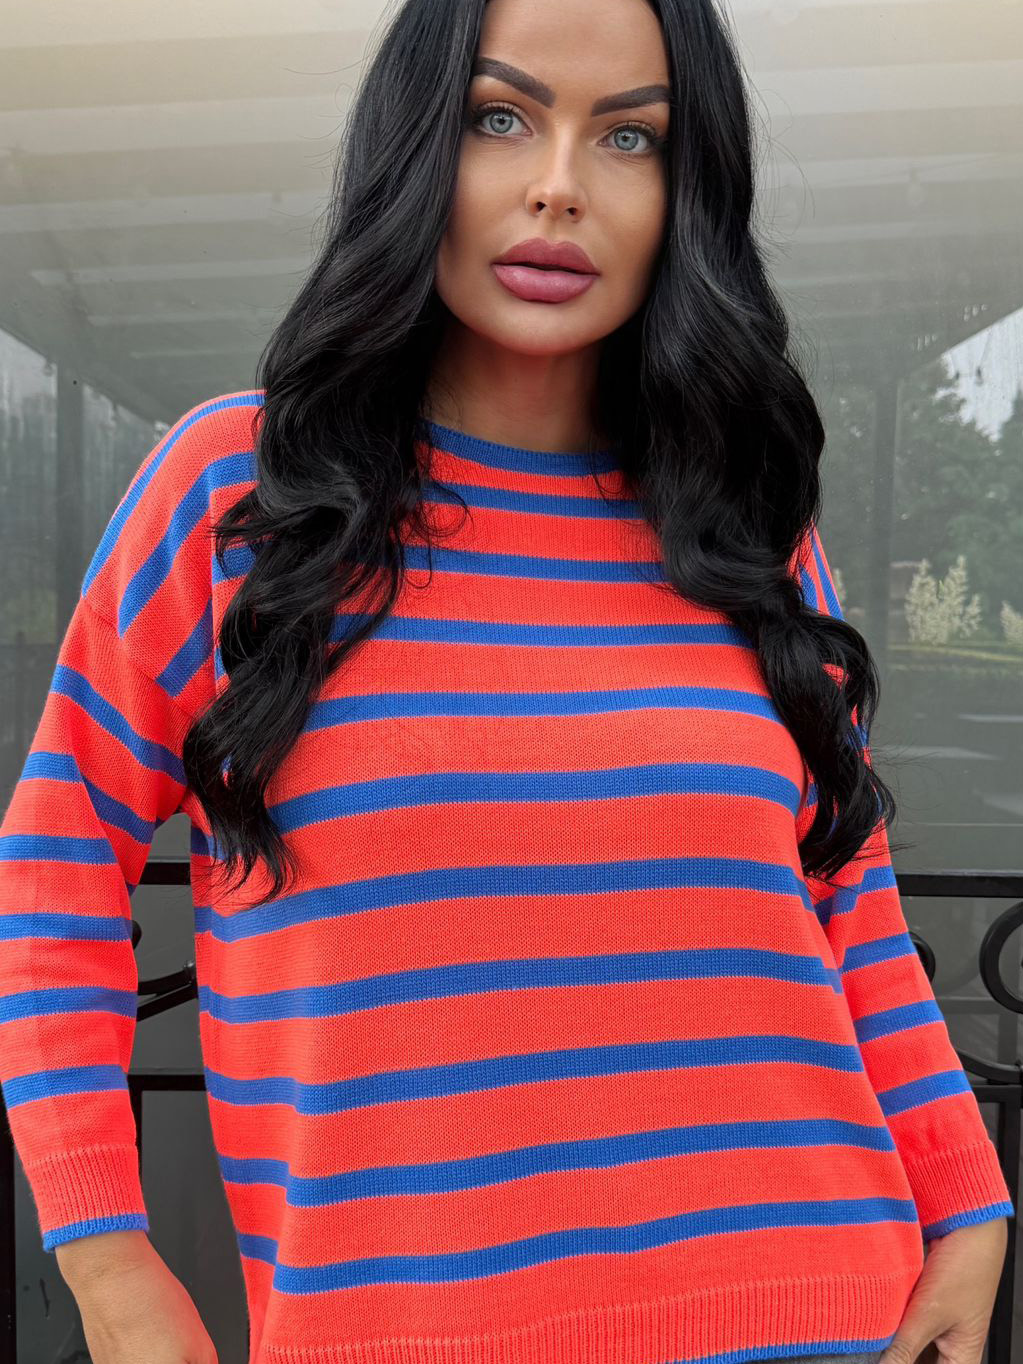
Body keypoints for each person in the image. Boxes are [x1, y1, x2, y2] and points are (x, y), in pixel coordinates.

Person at [0, 0, 1013, 1362]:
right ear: (414, 145)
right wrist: (105, 1257)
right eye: (499, 117)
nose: (558, 185)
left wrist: (968, 1201)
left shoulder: (740, 524)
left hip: (816, 1310)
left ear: (687, 193)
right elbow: (56, 868)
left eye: (632, 138)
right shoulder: (244, 497)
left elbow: (848, 898)